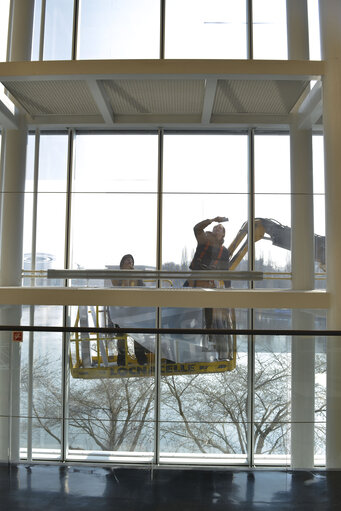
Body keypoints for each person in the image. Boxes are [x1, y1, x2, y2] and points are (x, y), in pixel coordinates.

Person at [186, 216, 233, 359]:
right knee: (182, 308)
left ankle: (211, 337)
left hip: (208, 283)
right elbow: (197, 228)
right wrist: (212, 219)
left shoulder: (223, 252)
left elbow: (225, 271)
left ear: (223, 235)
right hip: (194, 281)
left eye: (220, 228)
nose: (218, 228)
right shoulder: (204, 240)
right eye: (215, 227)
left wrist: (229, 288)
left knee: (211, 315)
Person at [110, 254, 149, 366]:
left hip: (134, 309)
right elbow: (117, 286)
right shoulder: (117, 275)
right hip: (121, 309)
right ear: (122, 263)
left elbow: (143, 288)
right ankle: (122, 357)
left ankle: (140, 355)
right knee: (121, 336)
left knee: (138, 333)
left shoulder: (136, 275)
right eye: (127, 260)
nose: (129, 262)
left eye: (131, 261)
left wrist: (135, 274)